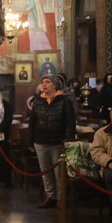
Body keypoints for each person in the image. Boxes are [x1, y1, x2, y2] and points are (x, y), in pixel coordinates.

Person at [28, 73, 76, 208]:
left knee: (58, 172)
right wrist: (30, 142)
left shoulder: (64, 101)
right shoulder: (38, 100)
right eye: (43, 82)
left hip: (57, 141)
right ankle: (50, 196)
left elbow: (70, 123)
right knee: (45, 171)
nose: (44, 84)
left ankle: (61, 197)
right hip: (40, 141)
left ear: (55, 85)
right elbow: (32, 123)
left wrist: (67, 141)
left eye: (48, 82)